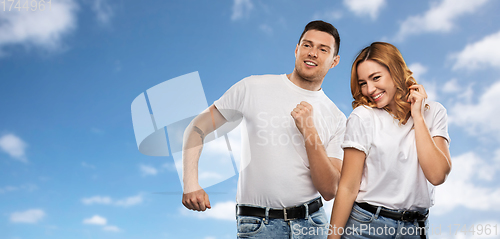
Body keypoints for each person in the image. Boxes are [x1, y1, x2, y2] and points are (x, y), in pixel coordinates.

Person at [182, 20, 346, 238]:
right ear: (297, 50)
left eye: (323, 49)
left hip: (312, 224)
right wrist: (191, 183)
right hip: (258, 225)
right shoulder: (252, 87)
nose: (313, 53)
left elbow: (329, 190)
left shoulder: (337, 117)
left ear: (334, 61)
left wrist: (309, 132)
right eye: (307, 45)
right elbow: (197, 127)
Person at [327, 42, 452, 239]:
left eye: (376, 78)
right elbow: (348, 187)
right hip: (365, 227)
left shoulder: (434, 112)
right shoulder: (363, 117)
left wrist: (417, 117)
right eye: (363, 83)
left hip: (415, 229)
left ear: (396, 72)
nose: (369, 89)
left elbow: (437, 175)